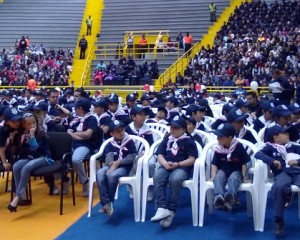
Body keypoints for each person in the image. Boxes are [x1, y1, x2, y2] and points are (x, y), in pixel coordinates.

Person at [151, 116, 198, 228]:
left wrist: (178, 164)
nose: (173, 130)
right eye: (171, 127)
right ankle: (161, 207)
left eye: (176, 128)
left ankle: (171, 210)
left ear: (183, 129)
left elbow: (192, 159)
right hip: (167, 166)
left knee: (175, 179)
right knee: (157, 176)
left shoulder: (189, 141)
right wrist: (164, 163)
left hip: (181, 167)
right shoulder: (167, 139)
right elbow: (160, 154)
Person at [255, 125, 300, 236]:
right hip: (283, 173)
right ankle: (278, 220)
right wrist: (272, 161)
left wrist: (297, 161)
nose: (288, 134)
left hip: (297, 171)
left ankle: (289, 195)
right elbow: (258, 154)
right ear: (276, 137)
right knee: (279, 187)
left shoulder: (293, 147)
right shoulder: (270, 147)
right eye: (284, 133)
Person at [7, 113, 53, 212]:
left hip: (44, 157)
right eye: (29, 124)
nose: (32, 126)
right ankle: (22, 196)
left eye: (34, 122)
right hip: (31, 157)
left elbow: (38, 150)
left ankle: (18, 196)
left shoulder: (41, 133)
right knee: (16, 166)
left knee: (26, 167)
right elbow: (22, 150)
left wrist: (32, 137)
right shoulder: (23, 134)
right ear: (24, 125)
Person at [96, 120, 137, 216]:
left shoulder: (129, 141)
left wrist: (118, 163)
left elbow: (132, 156)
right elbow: (109, 154)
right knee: (100, 173)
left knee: (112, 176)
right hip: (111, 165)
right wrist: (111, 164)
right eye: (117, 131)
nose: (121, 133)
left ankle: (108, 203)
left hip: (124, 167)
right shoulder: (110, 143)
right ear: (111, 134)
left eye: (122, 130)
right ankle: (106, 202)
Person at [211, 123, 250, 211]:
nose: (218, 139)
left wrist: (244, 177)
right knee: (218, 177)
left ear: (230, 138)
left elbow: (244, 163)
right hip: (223, 170)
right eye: (217, 137)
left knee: (234, 178)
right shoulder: (218, 148)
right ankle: (219, 197)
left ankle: (231, 196)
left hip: (236, 170)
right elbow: (214, 163)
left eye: (221, 137)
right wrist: (213, 176)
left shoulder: (238, 147)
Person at [67, 97, 98, 197]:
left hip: (86, 145)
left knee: (76, 160)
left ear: (80, 109)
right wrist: (79, 136)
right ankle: (65, 180)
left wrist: (75, 134)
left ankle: (85, 182)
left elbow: (88, 135)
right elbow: (69, 133)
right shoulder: (75, 119)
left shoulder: (91, 119)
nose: (74, 110)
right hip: (74, 143)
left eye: (76, 108)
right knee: (58, 157)